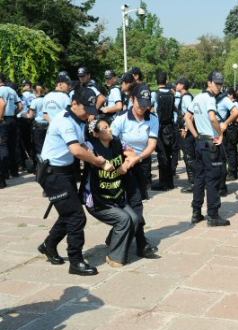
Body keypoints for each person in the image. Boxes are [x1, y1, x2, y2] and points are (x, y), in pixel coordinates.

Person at [37, 86, 111, 276]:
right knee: (76, 216)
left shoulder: (79, 119)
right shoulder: (65, 121)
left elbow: (85, 144)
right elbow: (77, 151)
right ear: (75, 104)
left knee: (68, 212)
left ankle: (49, 245)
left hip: (66, 171)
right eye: (86, 109)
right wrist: (98, 163)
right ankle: (76, 261)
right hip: (53, 173)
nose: (89, 114)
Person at [111, 83, 159, 259]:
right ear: (132, 100)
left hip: (141, 164)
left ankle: (119, 237)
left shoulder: (152, 119)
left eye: (147, 104)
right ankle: (141, 243)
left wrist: (137, 158)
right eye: (140, 104)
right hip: (123, 166)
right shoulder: (121, 118)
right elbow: (110, 141)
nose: (143, 108)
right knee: (133, 202)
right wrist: (127, 154)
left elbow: (151, 145)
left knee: (136, 202)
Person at [82, 119, 139, 267]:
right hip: (97, 200)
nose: (110, 130)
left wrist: (125, 165)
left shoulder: (117, 143)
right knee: (124, 220)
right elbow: (79, 150)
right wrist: (97, 161)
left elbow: (132, 154)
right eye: (105, 128)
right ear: (95, 134)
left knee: (134, 219)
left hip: (116, 194)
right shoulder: (91, 146)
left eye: (109, 126)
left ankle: (113, 241)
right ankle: (114, 257)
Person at [184, 71, 230, 227]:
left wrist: (196, 135)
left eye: (221, 83)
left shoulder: (197, 98)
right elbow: (212, 117)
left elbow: (187, 118)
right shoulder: (210, 98)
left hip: (200, 143)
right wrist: (220, 133)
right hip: (210, 144)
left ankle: (196, 213)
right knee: (213, 180)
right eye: (216, 83)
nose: (219, 86)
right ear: (209, 82)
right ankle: (213, 215)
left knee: (199, 178)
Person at [151, 71, 176, 191]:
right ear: (166, 81)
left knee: (162, 155)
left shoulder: (155, 95)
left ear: (157, 81)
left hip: (159, 127)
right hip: (170, 126)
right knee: (169, 154)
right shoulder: (172, 94)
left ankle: (163, 183)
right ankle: (170, 182)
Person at [0, 73, 23, 178]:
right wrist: (14, 112)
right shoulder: (12, 90)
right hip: (12, 119)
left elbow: (2, 104)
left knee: (3, 145)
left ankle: (4, 173)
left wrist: (1, 117)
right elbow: (21, 106)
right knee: (12, 145)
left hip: (3, 119)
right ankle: (14, 171)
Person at [176, 77, 195, 193]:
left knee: (189, 157)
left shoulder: (187, 98)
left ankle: (193, 183)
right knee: (188, 157)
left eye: (177, 84)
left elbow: (190, 115)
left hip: (187, 132)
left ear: (182, 85)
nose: (176, 86)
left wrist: (186, 128)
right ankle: (192, 181)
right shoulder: (185, 97)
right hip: (185, 130)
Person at [218, 87, 238, 183]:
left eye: (228, 94)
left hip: (231, 130)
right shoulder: (233, 103)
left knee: (231, 151)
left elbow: (235, 115)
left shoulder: (234, 104)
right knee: (231, 151)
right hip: (229, 130)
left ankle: (232, 172)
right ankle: (232, 171)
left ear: (232, 95)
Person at [27, 84, 47, 160]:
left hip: (38, 126)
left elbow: (30, 116)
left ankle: (41, 166)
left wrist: (23, 115)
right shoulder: (46, 99)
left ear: (35, 91)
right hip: (48, 125)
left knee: (38, 147)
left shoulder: (35, 101)